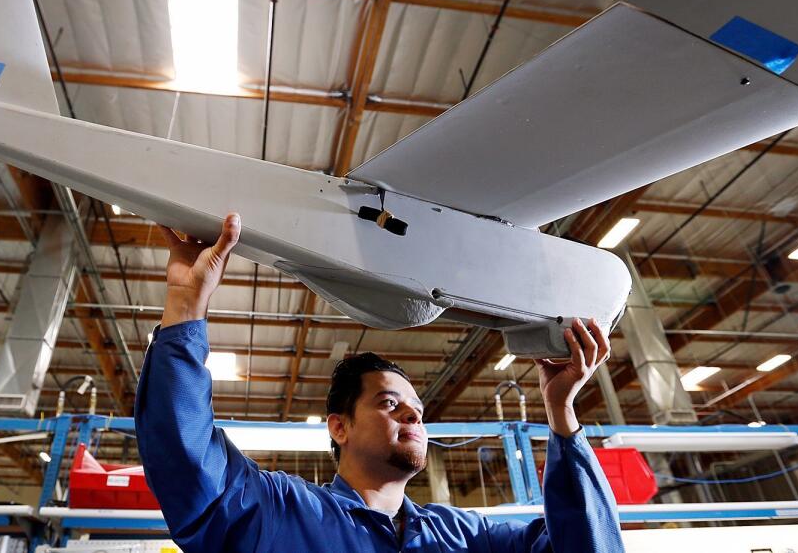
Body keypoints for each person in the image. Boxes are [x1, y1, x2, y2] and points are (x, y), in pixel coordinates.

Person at [136, 213, 625, 552]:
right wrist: (185, 304)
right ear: (339, 427)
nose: (413, 413)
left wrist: (562, 415)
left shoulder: (465, 539)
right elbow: (187, 461)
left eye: (415, 407)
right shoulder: (283, 515)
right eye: (390, 404)